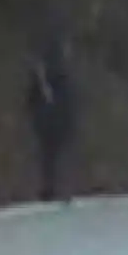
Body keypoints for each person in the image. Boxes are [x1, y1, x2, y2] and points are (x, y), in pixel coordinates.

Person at [26, 35, 77, 201]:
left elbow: (31, 99)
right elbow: (68, 100)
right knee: (56, 156)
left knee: (49, 156)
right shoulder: (60, 76)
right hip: (55, 120)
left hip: (47, 121)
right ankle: (58, 188)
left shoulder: (48, 76)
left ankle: (51, 188)